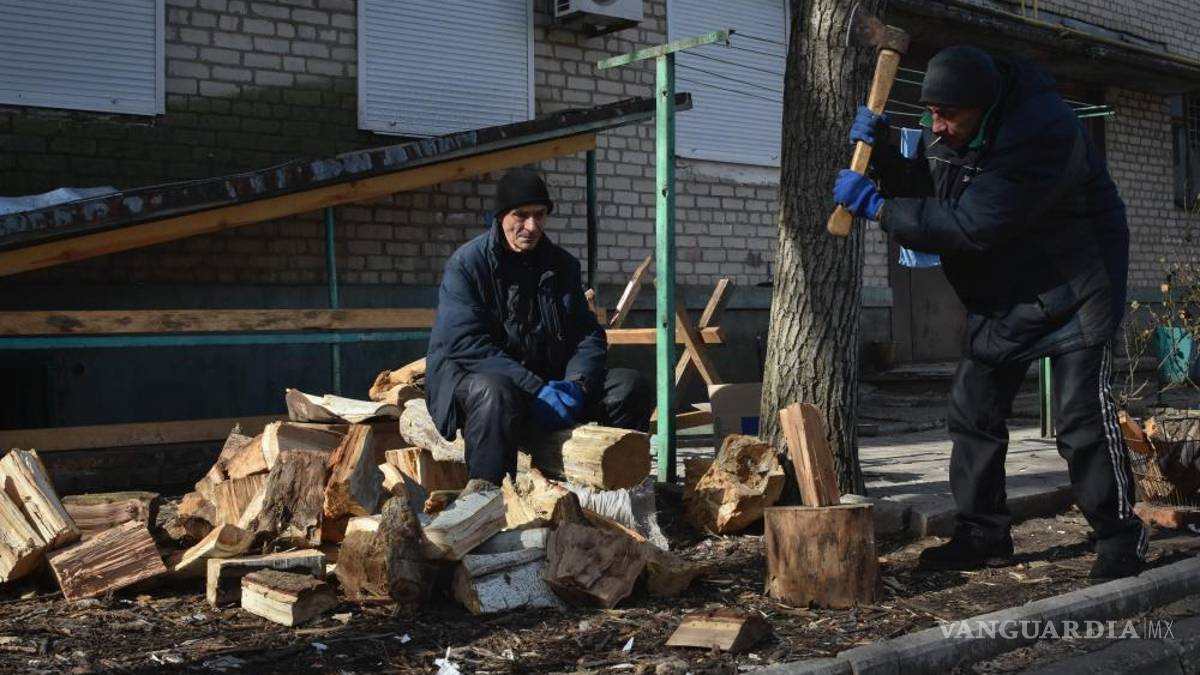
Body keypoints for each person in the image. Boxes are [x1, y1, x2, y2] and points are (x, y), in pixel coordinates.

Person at [832, 45, 1146, 581]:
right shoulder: (955, 128)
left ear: (986, 103)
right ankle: (983, 535)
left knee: (1079, 418)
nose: (938, 126)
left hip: (1075, 285)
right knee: (973, 409)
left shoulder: (1043, 131)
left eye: (948, 115)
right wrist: (884, 154)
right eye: (931, 113)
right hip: (1005, 293)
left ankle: (1120, 534)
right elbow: (935, 192)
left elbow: (974, 224)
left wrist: (881, 209)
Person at [425, 167, 652, 487]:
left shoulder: (561, 266)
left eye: (540, 215)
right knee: (495, 392)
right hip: (477, 385)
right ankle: (489, 503)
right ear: (501, 216)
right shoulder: (468, 265)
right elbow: (466, 344)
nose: (531, 226)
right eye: (521, 215)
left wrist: (576, 384)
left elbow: (587, 334)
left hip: (546, 383)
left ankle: (614, 499)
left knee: (629, 386)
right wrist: (534, 388)